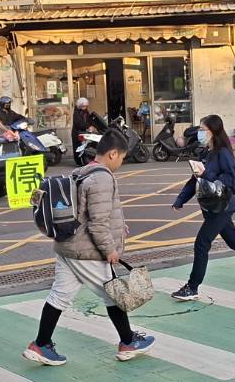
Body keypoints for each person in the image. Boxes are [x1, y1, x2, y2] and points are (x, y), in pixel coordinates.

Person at [24, 131, 155, 367]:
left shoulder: (82, 172)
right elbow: (97, 223)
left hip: (67, 247)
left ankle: (41, 345)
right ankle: (128, 342)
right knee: (113, 294)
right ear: (113, 154)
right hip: (87, 252)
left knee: (59, 295)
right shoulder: (103, 178)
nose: (121, 163)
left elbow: (86, 213)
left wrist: (118, 226)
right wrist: (110, 250)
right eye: (122, 158)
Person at [170, 115, 235, 300]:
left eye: (203, 129)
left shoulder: (223, 152)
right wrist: (180, 199)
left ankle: (192, 287)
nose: (200, 132)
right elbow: (195, 180)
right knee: (234, 240)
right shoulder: (206, 153)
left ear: (213, 131)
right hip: (212, 205)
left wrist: (206, 173)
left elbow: (231, 180)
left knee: (201, 243)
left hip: (223, 205)